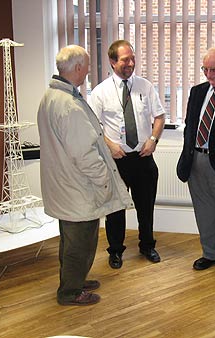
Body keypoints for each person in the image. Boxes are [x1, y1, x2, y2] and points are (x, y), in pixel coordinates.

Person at [37, 45, 133, 306]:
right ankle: (70, 292)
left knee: (70, 242)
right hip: (77, 188)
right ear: (78, 68)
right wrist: (104, 182)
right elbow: (86, 154)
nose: (89, 71)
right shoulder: (69, 105)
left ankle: (73, 280)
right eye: (87, 66)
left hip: (65, 186)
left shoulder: (51, 97)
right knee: (80, 243)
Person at [89, 40, 166, 269]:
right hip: (117, 160)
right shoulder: (100, 91)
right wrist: (110, 144)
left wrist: (153, 140)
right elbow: (93, 125)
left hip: (143, 158)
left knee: (146, 206)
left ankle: (147, 246)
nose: (130, 63)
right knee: (115, 209)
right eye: (125, 60)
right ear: (112, 62)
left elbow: (159, 117)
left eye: (132, 58)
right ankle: (115, 251)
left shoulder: (145, 86)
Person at [177, 47, 215, 279]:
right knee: (204, 211)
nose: (209, 74)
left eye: (214, 69)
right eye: (205, 69)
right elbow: (190, 127)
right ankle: (210, 253)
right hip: (196, 161)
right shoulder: (198, 92)